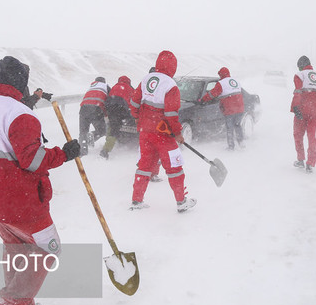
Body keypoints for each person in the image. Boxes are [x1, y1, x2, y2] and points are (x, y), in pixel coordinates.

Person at [0, 56, 80, 305]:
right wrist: (64, 154)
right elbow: (33, 159)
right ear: (21, 82)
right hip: (23, 203)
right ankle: (11, 302)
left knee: (16, 250)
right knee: (47, 249)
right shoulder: (21, 115)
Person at [129, 50, 196, 213]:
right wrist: (178, 133)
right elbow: (171, 113)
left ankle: (137, 200)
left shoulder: (145, 79)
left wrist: (138, 118)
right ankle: (181, 202)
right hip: (163, 134)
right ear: (173, 66)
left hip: (145, 132)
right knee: (174, 166)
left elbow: (133, 102)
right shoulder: (170, 85)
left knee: (144, 165)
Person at [290, 55, 316, 173]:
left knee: (298, 135)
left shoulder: (299, 75)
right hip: (315, 112)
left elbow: (297, 92)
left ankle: (301, 159)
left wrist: (295, 107)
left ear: (301, 66)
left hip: (301, 111)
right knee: (312, 138)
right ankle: (310, 163)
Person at [199, 66, 245, 150]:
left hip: (230, 109)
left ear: (221, 74)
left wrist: (202, 100)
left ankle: (231, 147)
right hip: (240, 108)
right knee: (238, 125)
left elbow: (212, 94)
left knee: (229, 128)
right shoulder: (236, 81)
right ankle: (242, 144)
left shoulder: (221, 83)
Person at [100, 75, 135, 159]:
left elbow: (108, 98)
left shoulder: (115, 86)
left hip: (110, 107)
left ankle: (109, 140)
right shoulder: (130, 88)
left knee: (112, 125)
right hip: (121, 107)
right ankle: (105, 150)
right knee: (115, 128)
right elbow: (133, 102)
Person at [79, 76, 109, 156]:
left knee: (83, 131)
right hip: (96, 109)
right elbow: (110, 101)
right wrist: (107, 116)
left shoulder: (91, 87)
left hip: (83, 109)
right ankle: (93, 135)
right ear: (104, 82)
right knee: (102, 130)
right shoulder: (105, 86)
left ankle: (83, 151)